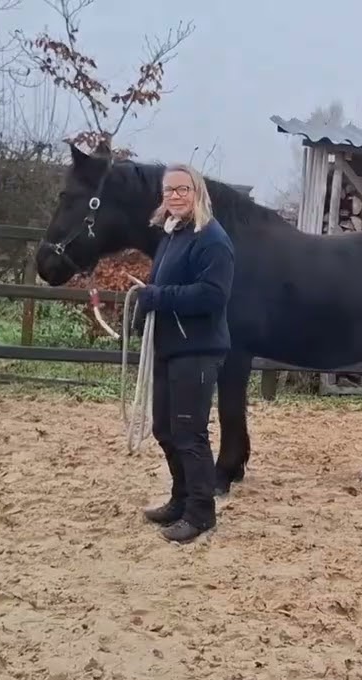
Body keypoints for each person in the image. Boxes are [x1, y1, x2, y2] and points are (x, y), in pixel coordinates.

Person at [136, 163, 235, 544]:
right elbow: (164, 282)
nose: (174, 196)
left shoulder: (212, 240)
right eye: (169, 190)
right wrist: (148, 302)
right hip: (171, 345)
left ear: (197, 193)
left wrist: (159, 297)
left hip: (197, 348)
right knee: (165, 428)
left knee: (189, 433)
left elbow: (213, 295)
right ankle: (180, 499)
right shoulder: (173, 234)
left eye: (182, 189)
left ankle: (200, 512)